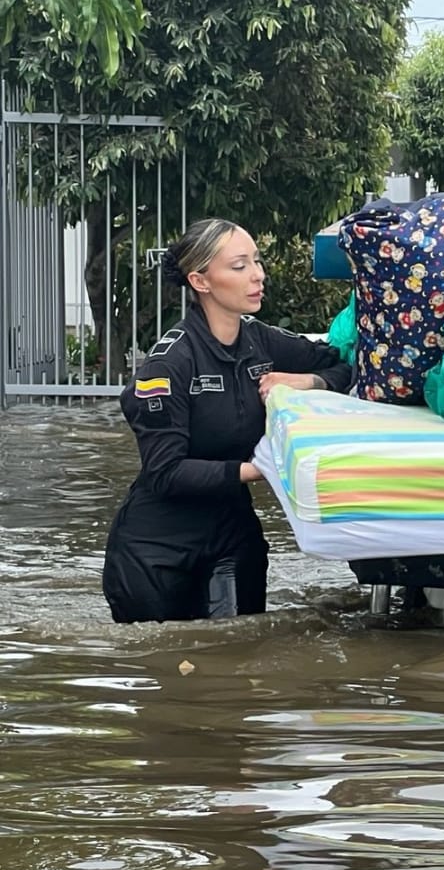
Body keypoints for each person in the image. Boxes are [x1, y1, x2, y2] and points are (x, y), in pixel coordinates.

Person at [102, 218, 353, 623]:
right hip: (157, 551)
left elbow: (349, 365)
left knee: (240, 650)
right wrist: (263, 468)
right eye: (239, 266)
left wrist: (309, 381)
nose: (258, 275)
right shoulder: (168, 364)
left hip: (232, 537)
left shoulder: (261, 340)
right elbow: (165, 471)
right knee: (164, 657)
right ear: (200, 281)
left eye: (257, 261)